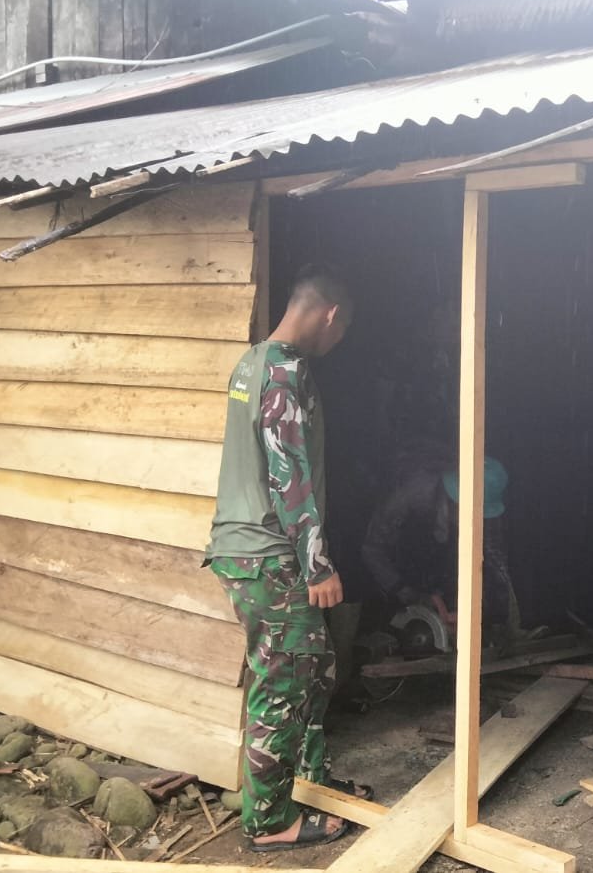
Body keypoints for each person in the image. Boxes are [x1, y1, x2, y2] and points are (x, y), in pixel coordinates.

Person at [203, 264, 374, 851]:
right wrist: (318, 564)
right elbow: (288, 475)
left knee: (314, 666)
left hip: (247, 549)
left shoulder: (251, 362)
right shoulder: (285, 373)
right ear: (331, 315)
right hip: (268, 555)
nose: (339, 340)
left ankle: (309, 782)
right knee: (283, 680)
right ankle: (270, 823)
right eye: (342, 330)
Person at [360, 441, 517, 633]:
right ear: (457, 497)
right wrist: (407, 592)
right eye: (474, 513)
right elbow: (372, 548)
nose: (478, 520)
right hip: (398, 570)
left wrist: (480, 611)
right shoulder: (411, 493)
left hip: (440, 573)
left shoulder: (486, 498)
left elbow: (495, 562)